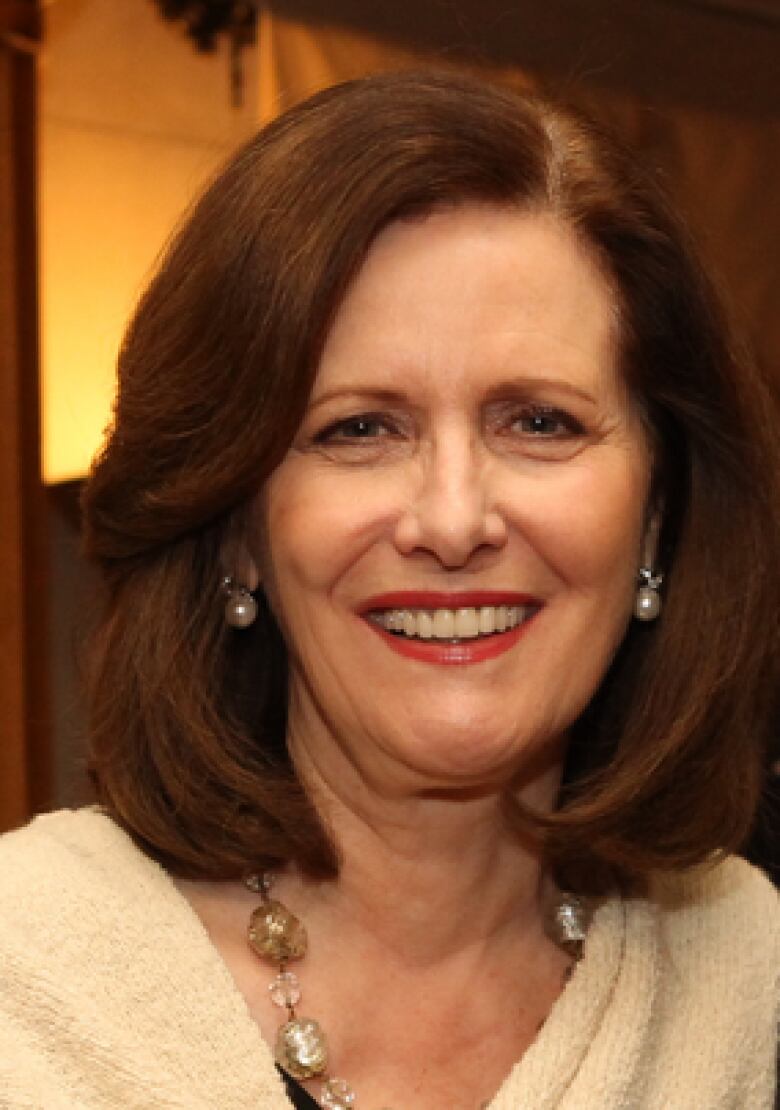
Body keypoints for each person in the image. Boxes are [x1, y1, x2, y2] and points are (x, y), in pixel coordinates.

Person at [1, 70, 778, 1110]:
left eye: (538, 421)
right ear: (237, 528)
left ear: (656, 511)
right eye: (359, 429)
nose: (453, 522)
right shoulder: (26, 982)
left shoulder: (746, 983)